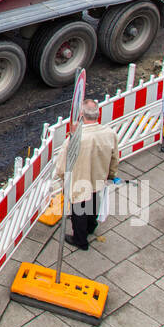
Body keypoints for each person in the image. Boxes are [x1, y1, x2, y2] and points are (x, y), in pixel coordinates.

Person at [56, 100, 120, 251]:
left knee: (79, 211)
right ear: (98, 114)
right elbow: (114, 158)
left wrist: (63, 178)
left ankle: (80, 240)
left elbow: (61, 166)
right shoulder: (110, 134)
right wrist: (111, 174)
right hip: (98, 177)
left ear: (82, 115)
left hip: (79, 181)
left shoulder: (75, 139)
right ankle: (91, 227)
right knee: (93, 204)